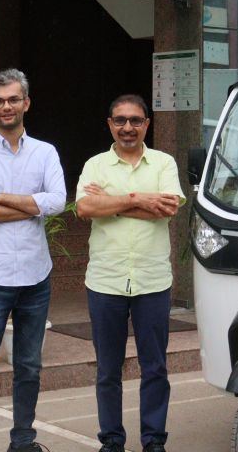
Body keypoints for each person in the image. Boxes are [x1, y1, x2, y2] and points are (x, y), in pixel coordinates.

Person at [0, 69, 66, 452]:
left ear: (26, 103)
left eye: (13, 99)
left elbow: (58, 202)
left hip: (36, 276)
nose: (7, 106)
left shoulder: (45, 152)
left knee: (29, 368)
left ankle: (22, 442)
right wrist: (32, 205)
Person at [75, 95, 184, 452]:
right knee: (108, 369)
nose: (127, 127)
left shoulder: (164, 163)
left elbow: (167, 208)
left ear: (146, 124)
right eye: (120, 120)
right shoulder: (95, 165)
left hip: (152, 281)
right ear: (110, 124)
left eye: (135, 120)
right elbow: (84, 208)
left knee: (155, 367)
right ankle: (112, 440)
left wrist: (112, 202)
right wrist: (139, 200)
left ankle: (153, 440)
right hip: (105, 281)